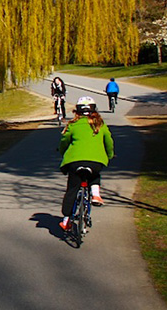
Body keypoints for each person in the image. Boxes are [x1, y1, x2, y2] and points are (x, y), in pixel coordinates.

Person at [57, 96, 114, 232]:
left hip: (75, 162)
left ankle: (66, 220)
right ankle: (95, 194)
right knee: (94, 174)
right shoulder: (100, 125)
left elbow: (64, 141)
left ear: (77, 111)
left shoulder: (72, 125)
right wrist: (109, 155)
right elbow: (109, 142)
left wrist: (62, 151)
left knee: (72, 189)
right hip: (95, 161)